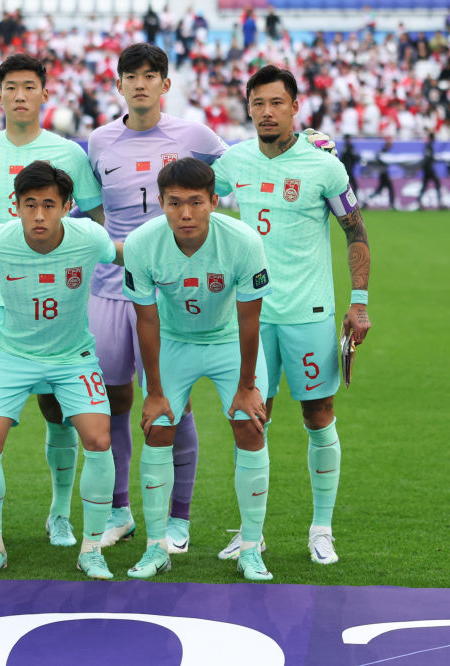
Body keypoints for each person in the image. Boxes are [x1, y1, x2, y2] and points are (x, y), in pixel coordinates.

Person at [213, 65, 372, 566]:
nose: (266, 111)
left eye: (276, 102)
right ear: (248, 107)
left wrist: (359, 302)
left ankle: (321, 529)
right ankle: (251, 534)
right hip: (251, 317)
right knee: (250, 420)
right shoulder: (233, 160)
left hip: (309, 313)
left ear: (295, 107)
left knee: (318, 415)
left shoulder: (324, 166)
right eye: (258, 103)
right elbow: (193, 195)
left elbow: (355, 231)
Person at [0, 161, 124, 580]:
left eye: (49, 205)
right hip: (12, 355)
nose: (39, 215)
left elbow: (121, 254)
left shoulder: (89, 237)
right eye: (30, 205)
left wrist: (174, 249)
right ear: (16, 206)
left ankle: (91, 549)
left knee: (99, 439)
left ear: (67, 206)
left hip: (73, 356)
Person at [0, 53, 104, 549]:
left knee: (57, 406)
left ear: (44, 93)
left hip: (55, 301)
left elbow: (95, 220)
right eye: (11, 87)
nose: (20, 95)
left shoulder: (68, 153)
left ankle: (59, 513)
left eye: (29, 86)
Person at [86, 43, 227, 554]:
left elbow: (242, 172)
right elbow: (90, 209)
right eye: (132, 76)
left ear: (165, 84)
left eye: (150, 76)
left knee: (172, 403)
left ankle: (177, 518)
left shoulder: (194, 136)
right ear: (118, 84)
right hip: (109, 289)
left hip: (168, 293)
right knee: (112, 401)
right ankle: (119, 511)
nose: (141, 84)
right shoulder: (99, 141)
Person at [122, 158, 273, 582]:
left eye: (195, 202)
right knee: (158, 427)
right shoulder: (141, 243)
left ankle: (251, 548)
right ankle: (156, 547)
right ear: (160, 203)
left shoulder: (243, 241)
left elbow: (250, 319)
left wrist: (247, 386)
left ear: (214, 201)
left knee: (249, 424)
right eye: (174, 203)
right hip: (174, 340)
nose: (185, 214)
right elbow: (146, 321)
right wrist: (154, 392)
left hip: (229, 340)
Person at [418, 132, 444, 209]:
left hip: (427, 169)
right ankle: (439, 202)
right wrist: (435, 158)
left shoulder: (428, 145)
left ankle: (419, 202)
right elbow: (428, 158)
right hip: (429, 169)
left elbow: (427, 157)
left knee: (425, 185)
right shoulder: (429, 145)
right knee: (437, 183)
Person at [340, 135, 361, 200]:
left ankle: (353, 199)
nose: (348, 140)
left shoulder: (347, 147)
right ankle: (353, 200)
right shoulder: (347, 147)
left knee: (350, 186)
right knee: (353, 185)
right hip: (348, 170)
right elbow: (352, 157)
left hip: (348, 170)